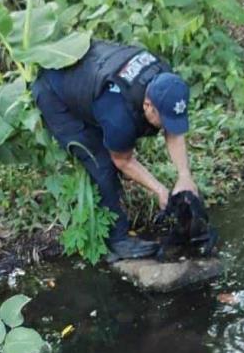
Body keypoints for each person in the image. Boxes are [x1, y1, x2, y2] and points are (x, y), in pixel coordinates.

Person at [31, 40, 198, 260]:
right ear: (147, 105)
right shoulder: (118, 115)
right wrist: (160, 191)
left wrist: (185, 176)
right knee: (101, 163)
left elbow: (173, 131)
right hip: (54, 92)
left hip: (89, 76)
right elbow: (123, 160)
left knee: (112, 136)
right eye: (163, 120)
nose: (167, 127)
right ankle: (118, 240)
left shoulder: (164, 77)